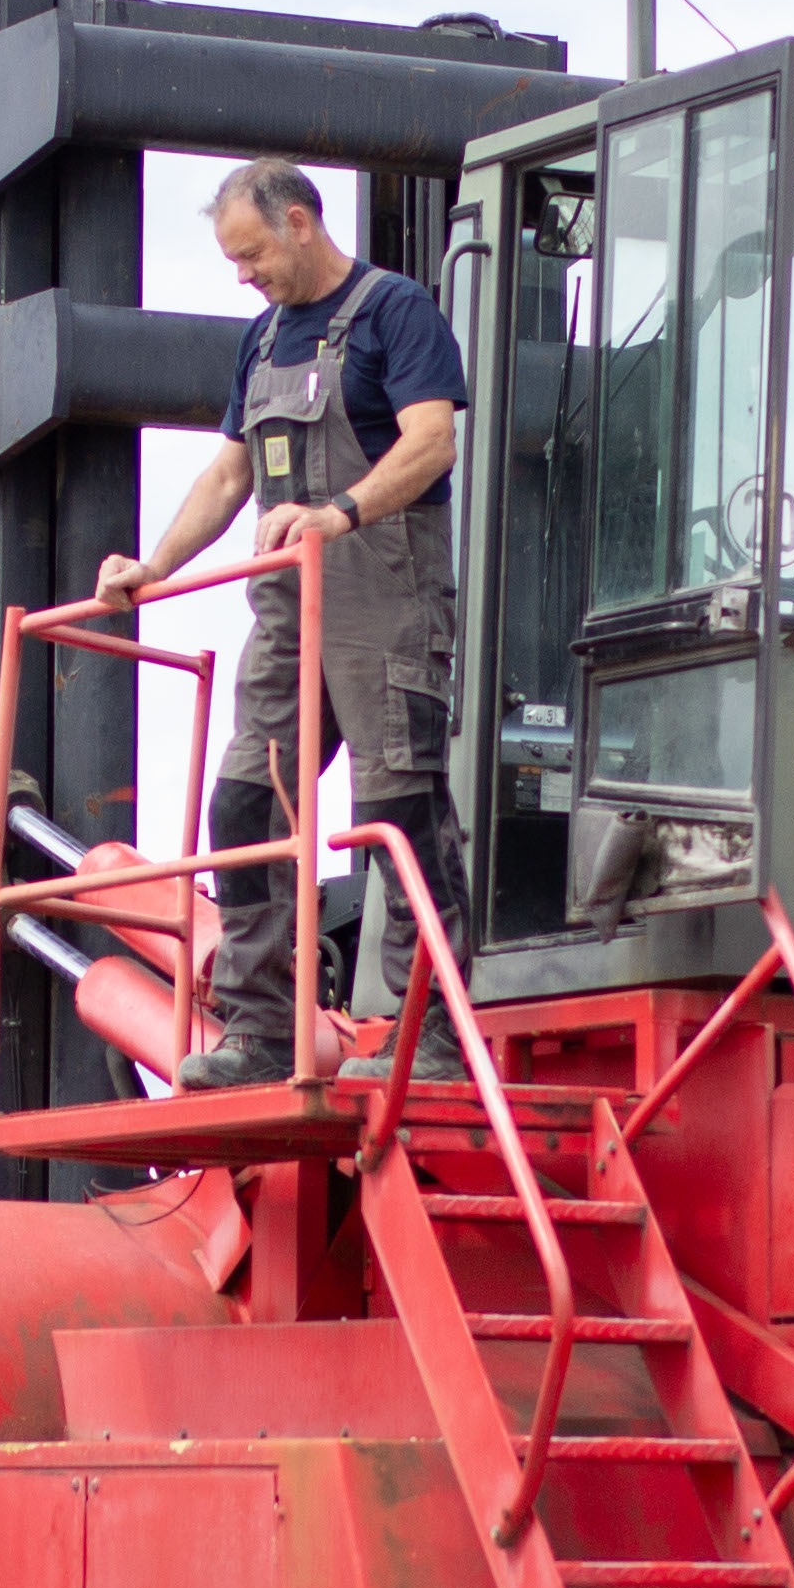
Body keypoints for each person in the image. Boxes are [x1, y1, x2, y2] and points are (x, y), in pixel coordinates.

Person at [94, 158, 473, 1090]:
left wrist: (340, 511)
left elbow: (434, 439)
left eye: (252, 253)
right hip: (286, 619)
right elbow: (228, 476)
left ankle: (439, 1042)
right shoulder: (260, 343)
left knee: (399, 816)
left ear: (302, 222)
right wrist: (154, 566)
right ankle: (264, 1032)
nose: (244, 275)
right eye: (232, 260)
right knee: (245, 807)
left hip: (385, 604)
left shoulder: (395, 314)